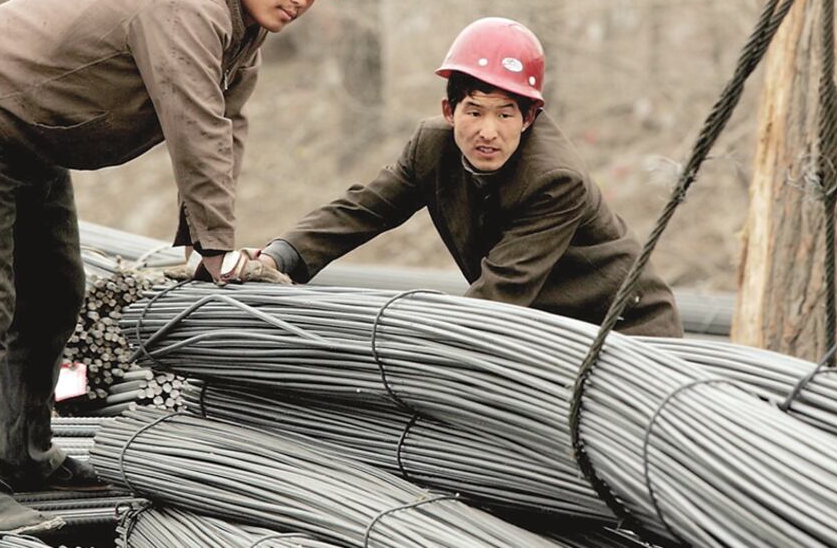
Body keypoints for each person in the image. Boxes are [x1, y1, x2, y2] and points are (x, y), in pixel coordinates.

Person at [0, 0, 355, 538]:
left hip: (32, 137)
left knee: (56, 294)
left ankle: (21, 454)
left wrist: (206, 249)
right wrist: (219, 251)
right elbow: (194, 127)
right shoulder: (187, 4)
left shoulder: (243, 29)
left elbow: (226, 129)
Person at [260, 17, 682, 337]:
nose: (488, 132)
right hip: (548, 333)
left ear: (529, 118)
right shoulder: (431, 148)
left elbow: (501, 293)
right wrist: (279, 256)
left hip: (624, 333)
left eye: (505, 115)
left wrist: (420, 343)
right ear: (449, 111)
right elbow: (363, 210)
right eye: (474, 112)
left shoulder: (555, 180)